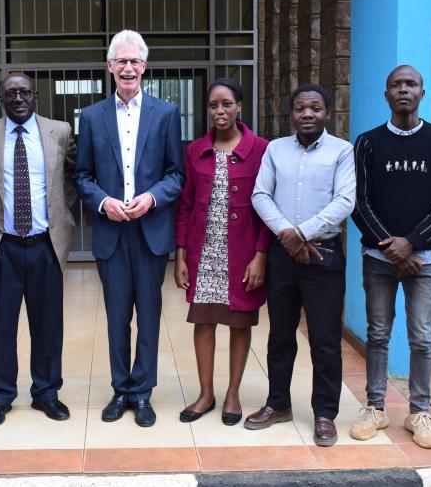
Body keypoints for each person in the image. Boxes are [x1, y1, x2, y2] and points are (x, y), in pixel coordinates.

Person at [74, 30, 184, 427]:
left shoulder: (166, 114)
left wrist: (151, 198)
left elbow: (176, 174)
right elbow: (82, 175)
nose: (128, 67)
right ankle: (121, 389)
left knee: (150, 316)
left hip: (150, 231)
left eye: (135, 61)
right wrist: (103, 202)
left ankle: (143, 392)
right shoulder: (89, 117)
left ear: (144, 67)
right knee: (117, 316)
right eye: (121, 60)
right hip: (111, 233)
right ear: (109, 67)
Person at [350, 65, 431, 449]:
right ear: (386, 95)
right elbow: (358, 202)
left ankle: (420, 411)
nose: (403, 90)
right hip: (379, 260)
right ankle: (375, 407)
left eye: (410, 84)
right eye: (395, 84)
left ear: (422, 93)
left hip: (424, 261)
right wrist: (391, 246)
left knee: (421, 338)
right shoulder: (367, 143)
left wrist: (411, 243)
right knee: (377, 334)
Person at [249, 83, 355, 446]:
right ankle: (278, 403)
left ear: (327, 112)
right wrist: (286, 234)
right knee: (280, 336)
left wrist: (302, 233)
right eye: (300, 108)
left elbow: (345, 200)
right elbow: (260, 193)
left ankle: (325, 414)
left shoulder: (342, 151)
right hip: (283, 257)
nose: (307, 114)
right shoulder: (275, 150)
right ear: (291, 113)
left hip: (323, 256)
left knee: (325, 341)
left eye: (315, 108)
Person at [0, 72, 76, 426]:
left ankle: (46, 393)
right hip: (1, 245)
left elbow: (74, 174)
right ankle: (0, 396)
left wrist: (62, 211)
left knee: (48, 325)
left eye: (24, 92)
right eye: (10, 93)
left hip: (46, 244)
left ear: (36, 96)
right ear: (1, 98)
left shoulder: (58, 131)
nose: (17, 98)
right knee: (0, 326)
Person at [174, 77, 270, 426]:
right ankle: (205, 394)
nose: (219, 111)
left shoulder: (260, 148)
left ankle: (232, 394)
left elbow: (266, 206)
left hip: (243, 252)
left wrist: (260, 254)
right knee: (204, 321)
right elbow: (185, 204)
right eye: (213, 105)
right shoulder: (196, 150)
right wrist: (181, 254)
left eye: (226, 103)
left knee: (240, 323)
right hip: (205, 250)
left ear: (239, 107)